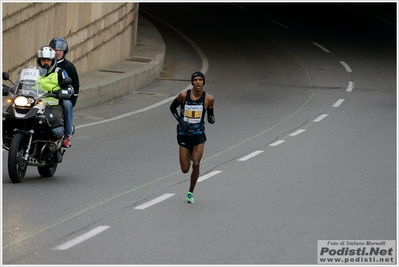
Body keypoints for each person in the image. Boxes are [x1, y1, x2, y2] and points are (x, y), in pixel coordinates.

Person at [170, 71, 215, 203]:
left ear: (204, 83)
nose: (198, 82)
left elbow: (210, 114)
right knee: (185, 169)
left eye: (201, 80)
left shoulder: (209, 99)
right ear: (192, 82)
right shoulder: (184, 95)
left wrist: (211, 118)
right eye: (195, 80)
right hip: (184, 135)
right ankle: (189, 153)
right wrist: (180, 120)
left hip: (198, 135)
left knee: (196, 163)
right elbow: (172, 108)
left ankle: (190, 192)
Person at [36, 45, 70, 162]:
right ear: (39, 61)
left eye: (48, 60)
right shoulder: (32, 73)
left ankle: (55, 148)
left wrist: (62, 92)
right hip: (34, 103)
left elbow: (70, 88)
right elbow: (20, 84)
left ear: (53, 61)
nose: (45, 62)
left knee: (54, 126)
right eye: (43, 60)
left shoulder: (60, 72)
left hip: (53, 105)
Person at [49, 37, 79, 147]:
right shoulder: (44, 63)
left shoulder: (69, 67)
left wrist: (72, 100)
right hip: (45, 95)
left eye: (60, 51)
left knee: (67, 105)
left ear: (64, 52)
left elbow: (75, 85)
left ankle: (67, 134)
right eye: (55, 50)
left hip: (62, 96)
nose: (57, 53)